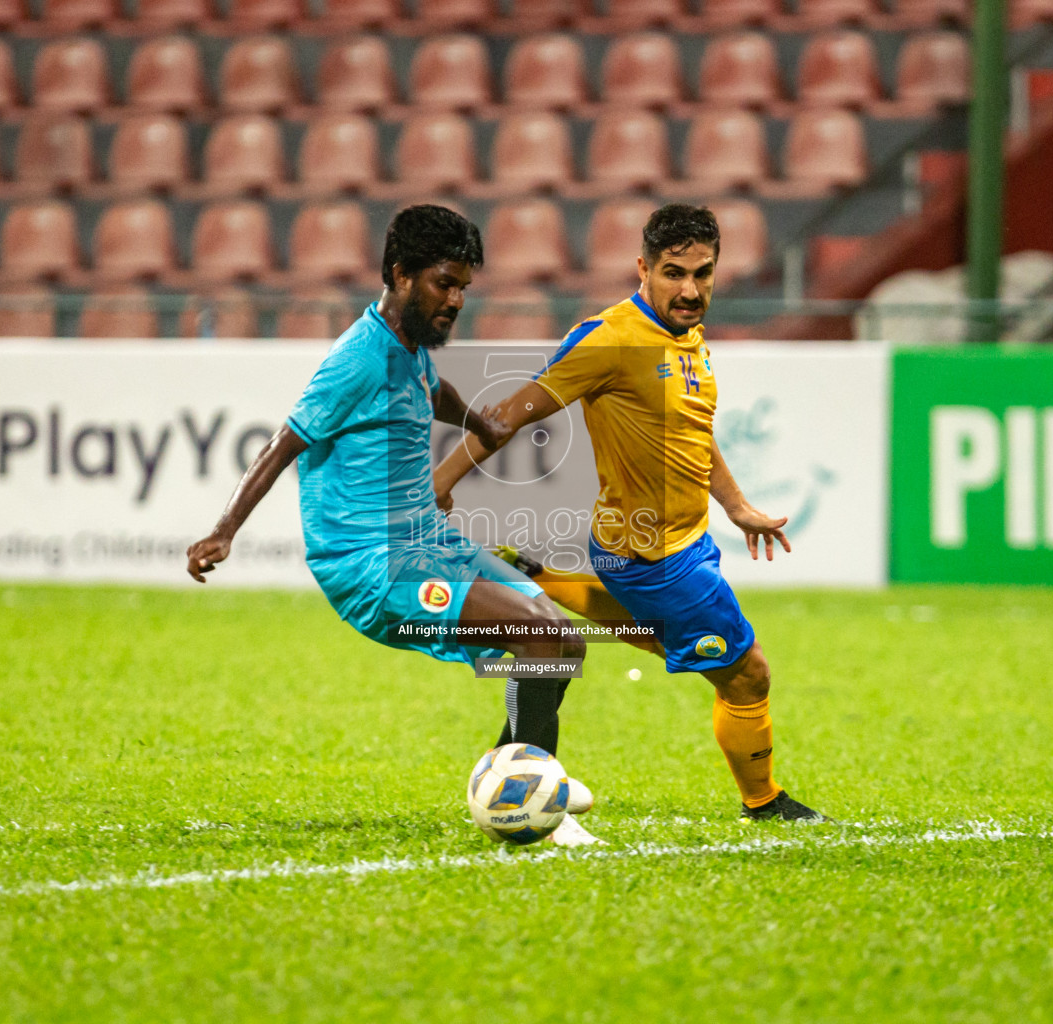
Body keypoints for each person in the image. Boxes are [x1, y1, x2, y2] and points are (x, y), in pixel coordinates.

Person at [186, 205, 600, 846]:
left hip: (427, 541)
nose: (456, 300)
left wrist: (477, 423)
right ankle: (534, 809)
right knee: (539, 639)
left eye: (464, 286)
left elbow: (432, 389)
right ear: (401, 274)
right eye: (444, 283)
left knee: (561, 645)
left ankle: (515, 780)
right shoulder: (359, 359)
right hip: (373, 565)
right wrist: (223, 530)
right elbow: (283, 443)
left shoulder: (409, 350)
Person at [433, 204, 825, 822]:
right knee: (747, 673)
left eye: (703, 273)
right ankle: (765, 801)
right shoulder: (611, 339)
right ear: (642, 268)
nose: (690, 290)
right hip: (655, 559)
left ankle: (539, 576)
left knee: (670, 639)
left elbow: (692, 431)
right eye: (673, 273)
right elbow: (509, 414)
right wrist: (441, 482)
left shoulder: (685, 335)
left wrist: (736, 505)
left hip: (680, 541)